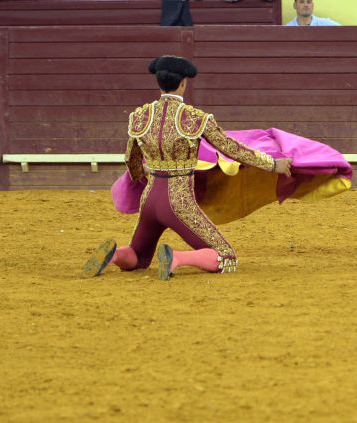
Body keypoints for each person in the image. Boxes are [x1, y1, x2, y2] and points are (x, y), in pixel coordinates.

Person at [80, 55, 293, 280]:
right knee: (226, 257)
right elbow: (232, 149)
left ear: (159, 83)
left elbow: (131, 161)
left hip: (149, 199)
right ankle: (177, 259)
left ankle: (114, 255)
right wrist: (272, 164)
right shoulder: (195, 118)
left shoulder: (139, 117)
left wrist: (142, 176)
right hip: (178, 202)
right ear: (183, 83)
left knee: (139, 256)